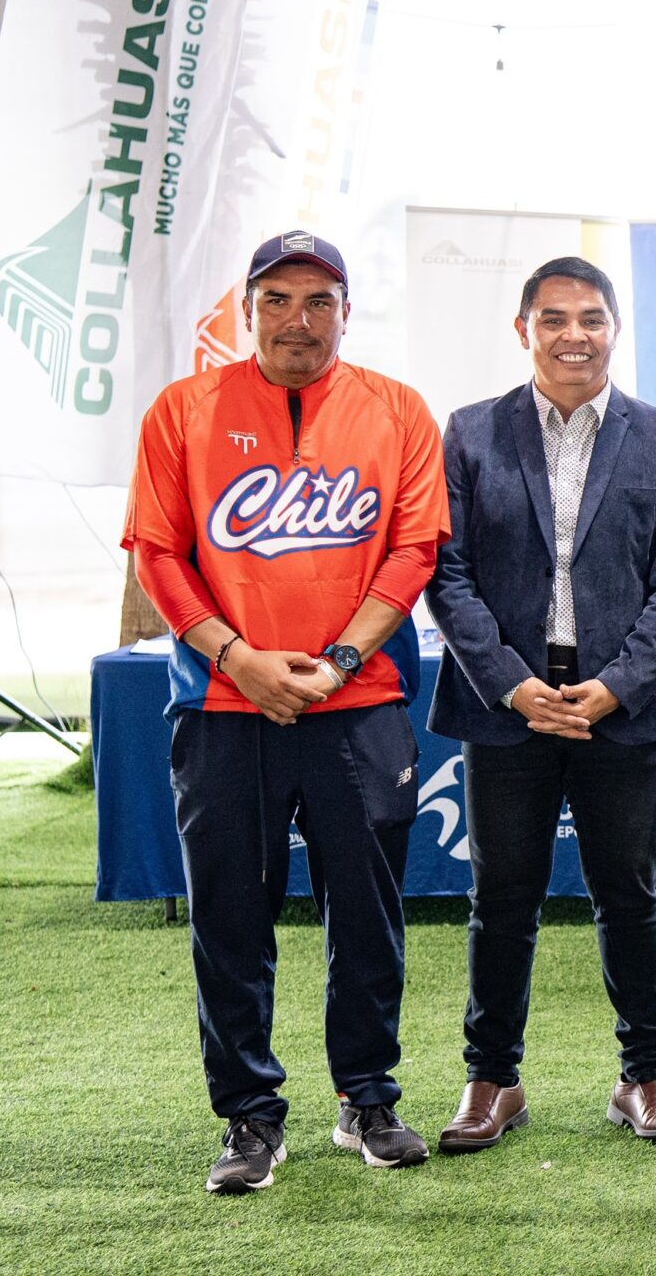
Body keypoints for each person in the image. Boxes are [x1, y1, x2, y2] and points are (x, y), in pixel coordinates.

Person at [122, 230, 450, 1193]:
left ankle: (367, 1097)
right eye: (277, 300)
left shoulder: (397, 410)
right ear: (248, 309)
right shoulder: (183, 411)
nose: (298, 319)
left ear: (346, 310)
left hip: (361, 706)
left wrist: (342, 658)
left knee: (369, 913)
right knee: (229, 915)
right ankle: (249, 1117)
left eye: (319, 300)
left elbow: (414, 549)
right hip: (225, 707)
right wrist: (238, 657)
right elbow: (159, 553)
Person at [423, 257, 656, 1152]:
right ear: (523, 330)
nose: (573, 335)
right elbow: (448, 573)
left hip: (620, 705)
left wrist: (616, 683)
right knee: (502, 898)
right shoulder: (469, 433)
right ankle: (491, 1081)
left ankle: (646, 1079)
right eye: (554, 319)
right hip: (508, 703)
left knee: (630, 895)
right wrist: (512, 683)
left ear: (616, 329)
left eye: (591, 318)